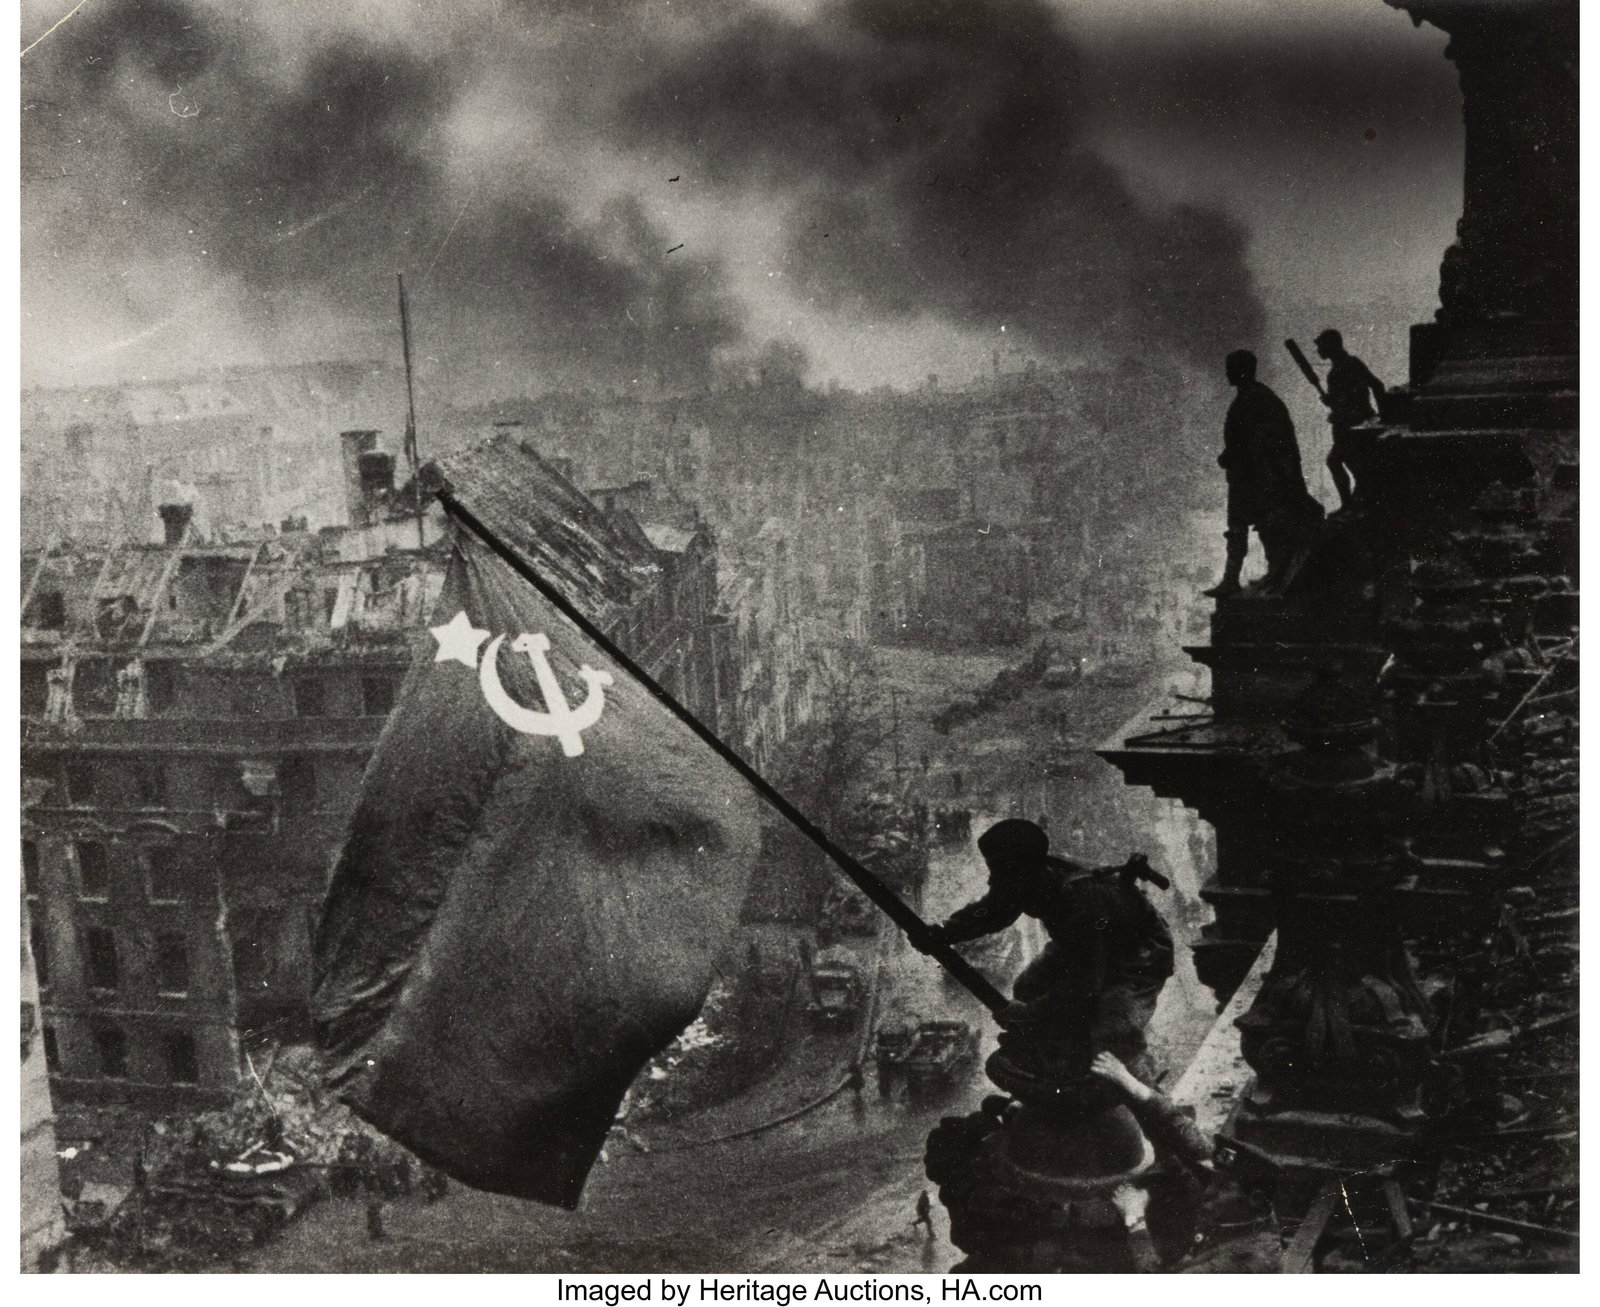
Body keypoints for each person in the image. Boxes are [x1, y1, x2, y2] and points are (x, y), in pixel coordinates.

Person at [922, 819, 1172, 1068]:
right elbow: (994, 912)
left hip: (1137, 953)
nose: (992, 880)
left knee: (1113, 1034)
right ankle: (1060, 1052)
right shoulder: (1024, 876)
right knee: (1029, 987)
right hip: (1082, 943)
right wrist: (945, 932)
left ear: (1023, 869)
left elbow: (1082, 984)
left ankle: (1134, 1080)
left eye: (998, 870)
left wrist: (1028, 1014)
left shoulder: (1081, 902)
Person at [1204, 349, 1324, 599]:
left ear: (1243, 370)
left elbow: (1269, 440)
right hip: (1246, 476)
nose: (1227, 372)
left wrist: (1236, 456)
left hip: (1260, 477)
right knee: (1241, 527)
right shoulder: (1251, 397)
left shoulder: (1258, 399)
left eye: (1231, 367)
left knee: (1266, 526)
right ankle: (1234, 579)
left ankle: (1270, 575)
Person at [1314, 328, 1387, 514]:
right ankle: (1354, 503)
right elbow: (1376, 386)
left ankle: (1351, 505)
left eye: (1321, 346)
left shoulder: (1341, 369)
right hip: (1355, 424)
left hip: (1350, 427)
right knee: (1351, 465)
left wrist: (1333, 401)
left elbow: (1355, 396)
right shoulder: (1351, 363)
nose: (1318, 350)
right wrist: (1382, 416)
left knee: (1339, 462)